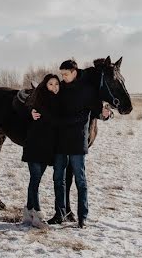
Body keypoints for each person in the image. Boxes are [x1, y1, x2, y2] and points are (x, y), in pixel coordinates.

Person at [49, 59, 112, 228]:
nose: (63, 77)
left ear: (74, 72)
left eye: (66, 74)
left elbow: (98, 111)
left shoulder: (86, 90)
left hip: (77, 142)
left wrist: (106, 114)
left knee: (80, 181)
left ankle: (82, 216)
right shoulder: (60, 89)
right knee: (58, 179)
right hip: (60, 142)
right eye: (62, 74)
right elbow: (48, 105)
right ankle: (59, 214)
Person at [20, 73, 62, 228]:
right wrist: (30, 111)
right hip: (34, 144)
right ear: (45, 85)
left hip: (47, 147)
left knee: (35, 180)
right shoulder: (40, 99)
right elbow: (26, 109)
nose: (54, 87)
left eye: (56, 84)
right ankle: (37, 215)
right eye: (50, 84)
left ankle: (27, 212)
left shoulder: (59, 100)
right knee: (35, 179)